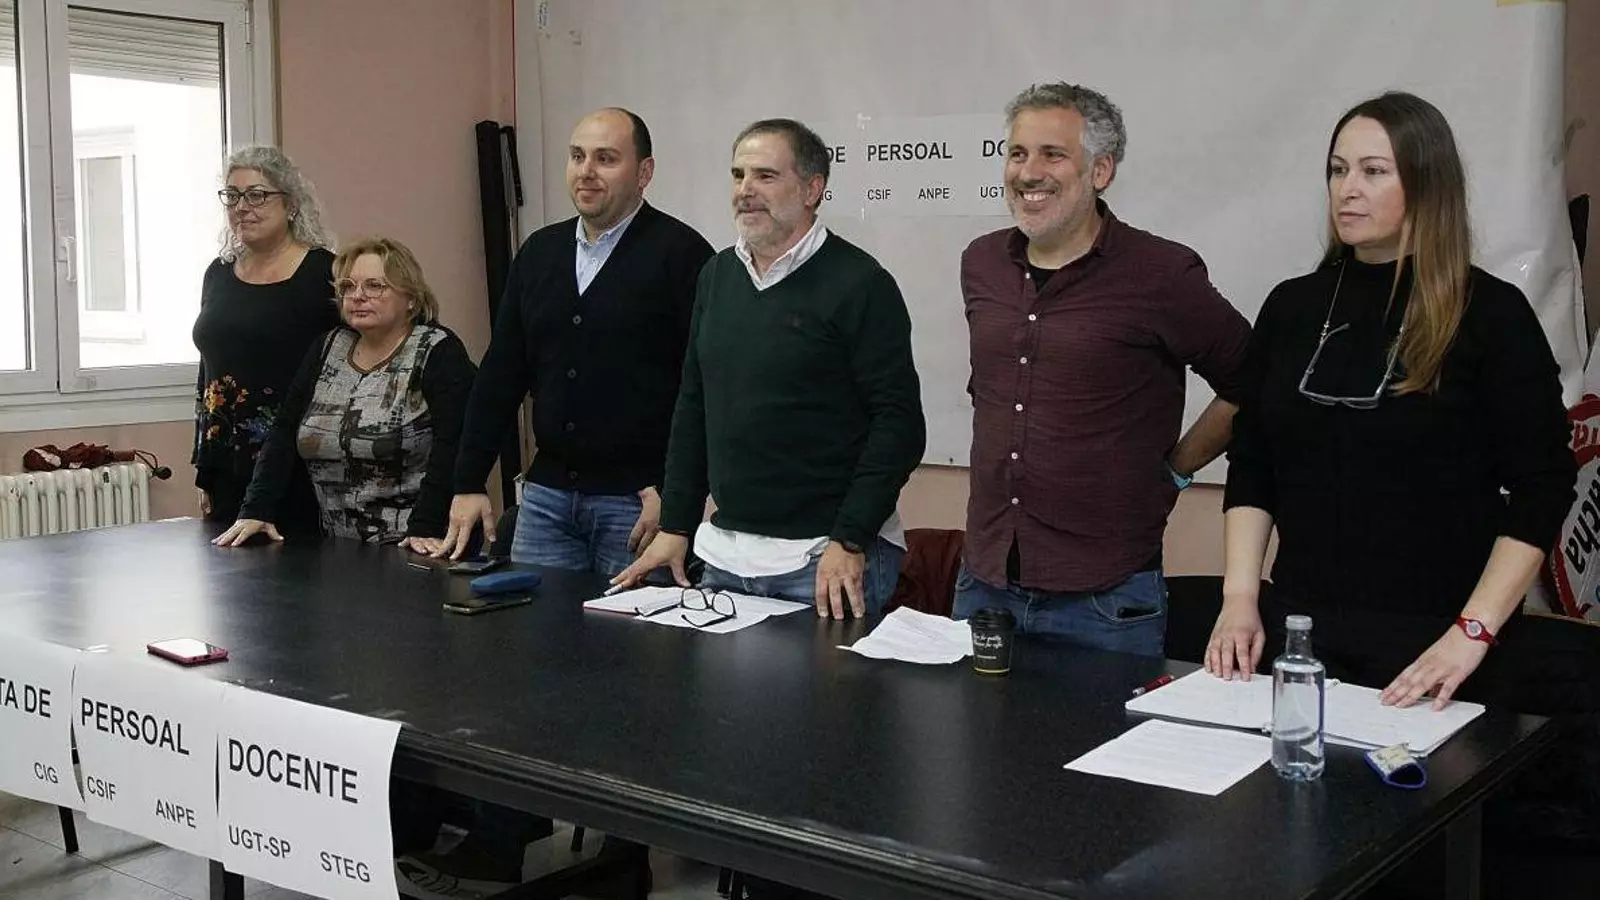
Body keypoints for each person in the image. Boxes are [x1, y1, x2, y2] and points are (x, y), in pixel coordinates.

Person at [1204, 92, 1576, 709]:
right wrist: (1239, 598)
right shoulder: (1293, 306)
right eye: (1338, 169)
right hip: (1301, 630)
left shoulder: (1490, 313)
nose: (1348, 189)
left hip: (1441, 644)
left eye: (1374, 171)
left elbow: (1544, 485)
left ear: (1427, 185)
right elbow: (1253, 462)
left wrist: (1473, 633)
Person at [955, 83, 1252, 656]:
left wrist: (1176, 470)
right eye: (1017, 153)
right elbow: (991, 391)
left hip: (1106, 596)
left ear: (1101, 170)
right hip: (985, 582)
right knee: (971, 718)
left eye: (1053, 155)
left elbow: (1252, 381)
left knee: (1104, 724)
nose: (1028, 172)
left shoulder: (1161, 273)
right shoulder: (982, 262)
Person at [613, 118, 926, 620]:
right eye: (738, 175)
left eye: (765, 176)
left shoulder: (861, 284)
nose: (745, 190)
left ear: (812, 189)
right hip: (726, 557)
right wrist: (676, 525)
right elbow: (694, 407)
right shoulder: (717, 275)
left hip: (825, 560)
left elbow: (900, 426)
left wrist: (850, 537)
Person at [439, 108, 714, 573]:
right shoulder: (540, 252)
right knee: (536, 620)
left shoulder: (684, 255)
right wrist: (468, 481)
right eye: (577, 156)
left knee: (631, 623)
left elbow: (706, 389)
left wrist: (677, 495)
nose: (586, 171)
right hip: (546, 500)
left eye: (606, 158)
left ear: (644, 172)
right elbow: (501, 374)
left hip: (638, 506)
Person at [212, 237, 475, 548]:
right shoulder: (328, 347)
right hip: (339, 548)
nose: (358, 296)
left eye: (374, 286)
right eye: (348, 287)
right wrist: (255, 509)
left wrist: (426, 526)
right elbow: (283, 432)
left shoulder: (436, 349)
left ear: (411, 299)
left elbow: (453, 447)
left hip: (419, 542)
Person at [193, 146, 340, 538]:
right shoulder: (218, 273)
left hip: (299, 463)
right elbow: (208, 372)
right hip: (226, 464)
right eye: (233, 196)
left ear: (290, 204)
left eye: (257, 195)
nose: (242, 207)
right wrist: (204, 468)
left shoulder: (323, 273)